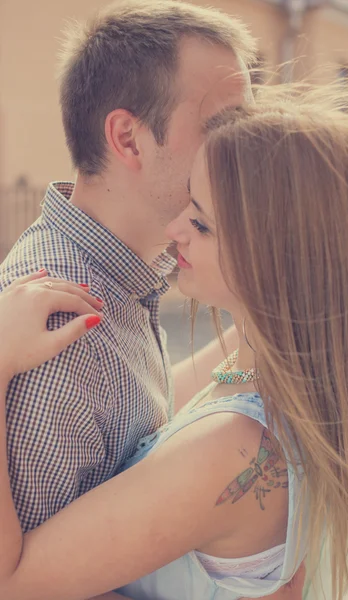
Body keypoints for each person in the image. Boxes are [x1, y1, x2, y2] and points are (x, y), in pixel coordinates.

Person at [0, 88, 348, 600]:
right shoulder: (277, 366)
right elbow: (176, 391)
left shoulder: (230, 449)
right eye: (189, 200)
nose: (175, 229)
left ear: (275, 259)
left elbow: (11, 585)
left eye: (202, 222)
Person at [0, 0, 256, 533]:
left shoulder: (125, 275)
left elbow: (151, 413)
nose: (245, 150)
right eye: (225, 126)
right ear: (127, 139)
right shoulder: (58, 328)